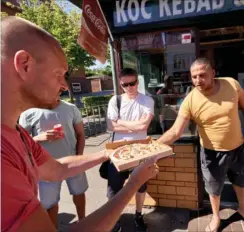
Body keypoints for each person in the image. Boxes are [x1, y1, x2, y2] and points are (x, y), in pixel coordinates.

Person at [1, 16, 159, 232]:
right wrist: (132, 185)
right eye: (59, 74)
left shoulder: (16, 132)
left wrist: (106, 154)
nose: (64, 85)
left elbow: (57, 169)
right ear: (24, 65)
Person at [157, 58, 244, 232]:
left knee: (240, 180)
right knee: (213, 188)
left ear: (213, 73)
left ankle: (242, 208)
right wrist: (153, 146)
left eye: (202, 75)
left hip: (237, 147)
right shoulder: (190, 101)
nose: (198, 81)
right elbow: (175, 132)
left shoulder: (231, 84)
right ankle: (216, 217)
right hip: (212, 152)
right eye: (194, 76)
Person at [19, 99, 88, 228]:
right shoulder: (28, 113)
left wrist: (79, 157)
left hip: (72, 162)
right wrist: (39, 138)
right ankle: (53, 229)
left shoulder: (71, 108)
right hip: (45, 167)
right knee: (50, 204)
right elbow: (20, 141)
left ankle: (82, 223)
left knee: (79, 192)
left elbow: (80, 134)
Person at [107, 68, 155, 232]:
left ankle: (138, 214)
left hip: (140, 150)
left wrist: (119, 122)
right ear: (121, 84)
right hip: (117, 151)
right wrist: (133, 127)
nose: (129, 87)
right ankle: (115, 220)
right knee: (114, 188)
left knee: (140, 185)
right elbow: (109, 125)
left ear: (138, 82)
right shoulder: (115, 100)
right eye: (125, 84)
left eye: (132, 83)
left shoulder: (147, 100)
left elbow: (144, 125)